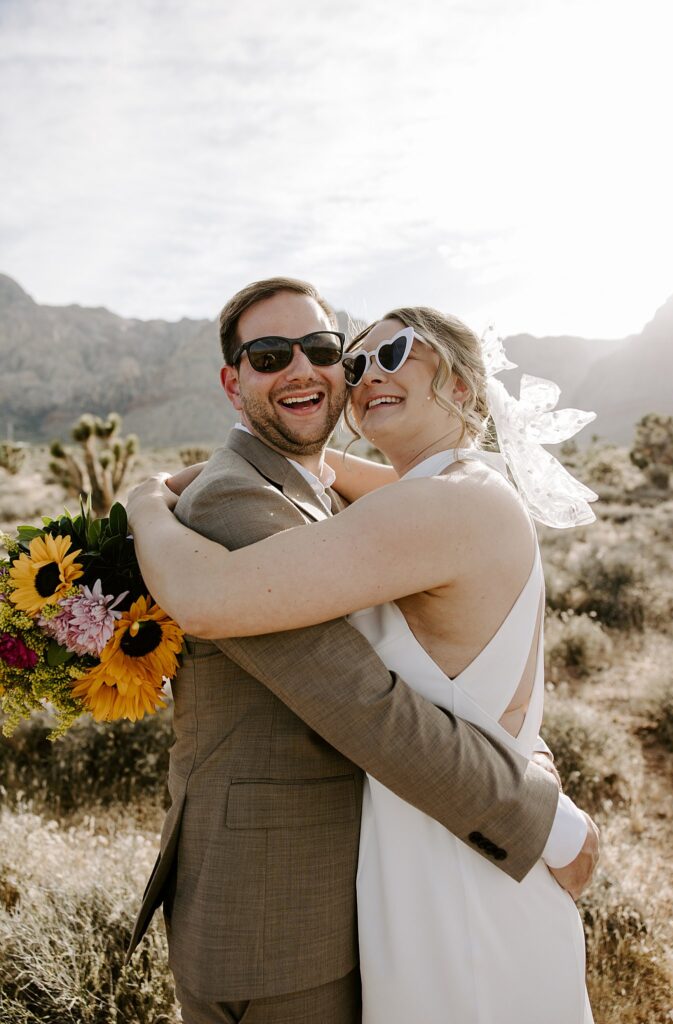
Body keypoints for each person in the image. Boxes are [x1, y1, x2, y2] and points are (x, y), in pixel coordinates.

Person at [126, 278, 598, 1024]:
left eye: (329, 350)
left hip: (451, 860)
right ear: (232, 380)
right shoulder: (438, 488)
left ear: (462, 384)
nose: (360, 370)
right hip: (351, 878)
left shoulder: (439, 503)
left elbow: (213, 600)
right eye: (357, 356)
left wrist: (143, 500)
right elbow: (339, 484)